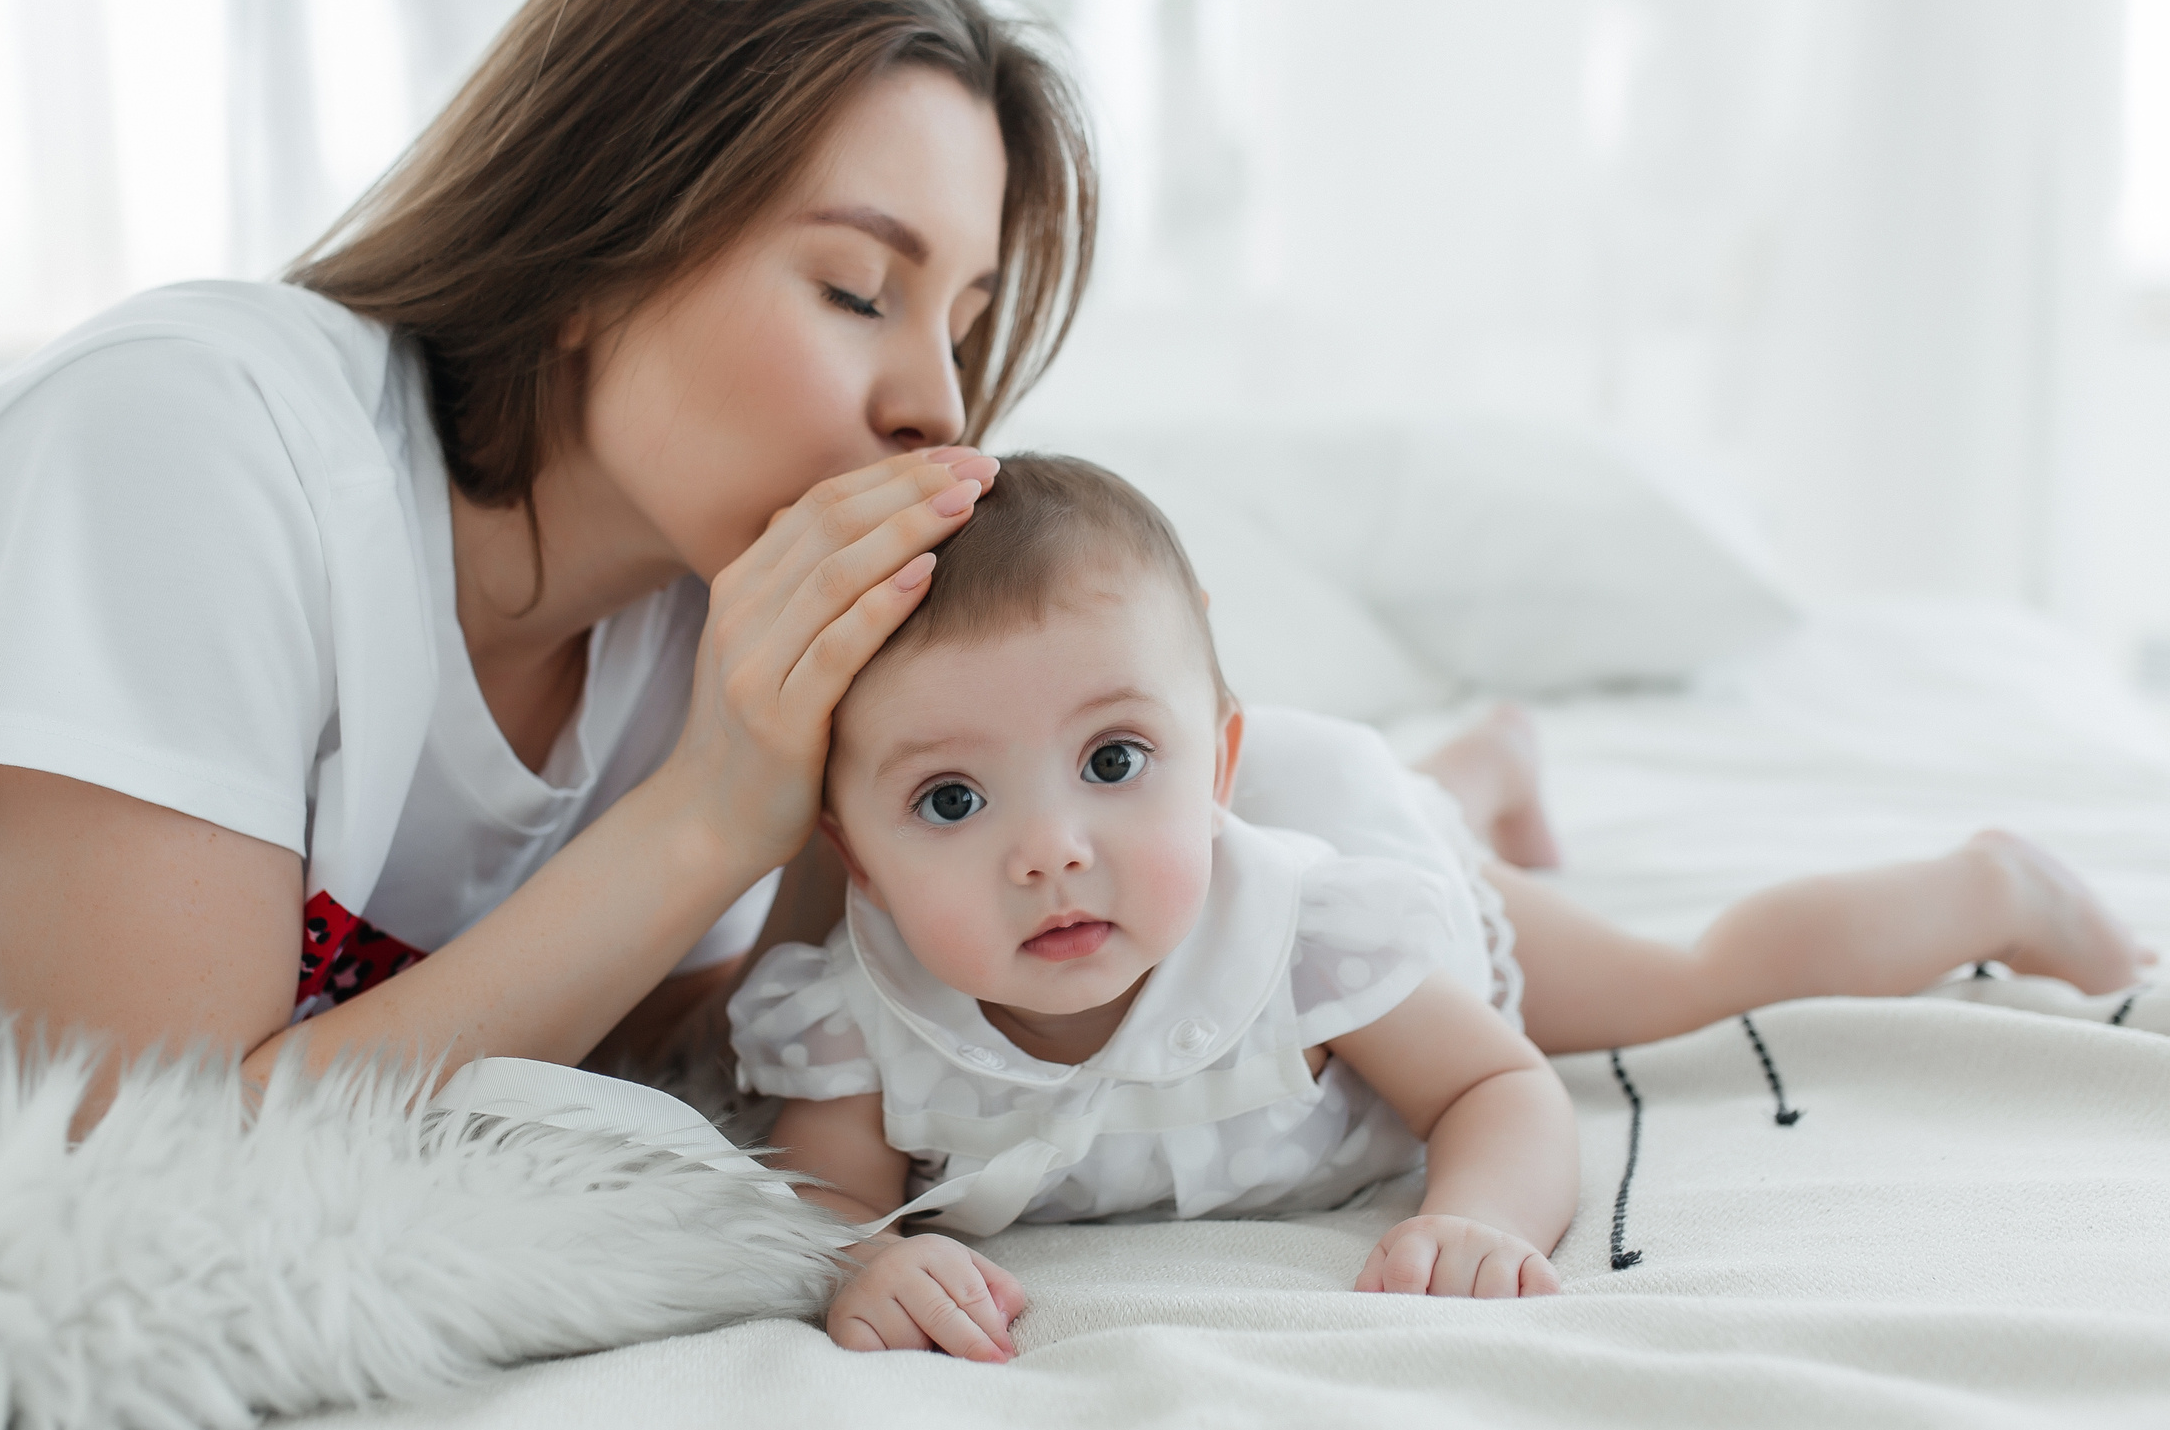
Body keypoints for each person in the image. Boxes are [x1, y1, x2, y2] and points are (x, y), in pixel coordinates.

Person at [0, 0, 1091, 1106]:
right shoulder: (194, 442)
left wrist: (837, 842)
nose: (938, 407)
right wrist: (703, 822)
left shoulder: (698, 622)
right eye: (857, 289)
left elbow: (610, 1040)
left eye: (963, 329)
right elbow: (144, 1162)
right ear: (594, 251)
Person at [728, 456, 2150, 1363]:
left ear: (1214, 768)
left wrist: (1479, 1218)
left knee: (1680, 985)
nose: (1051, 853)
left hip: (1347, 836)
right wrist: (866, 1263)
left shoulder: (1311, 933)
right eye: (952, 801)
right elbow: (830, 1200)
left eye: (1113, 762)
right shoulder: (863, 1015)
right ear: (858, 857)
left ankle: (1994, 885)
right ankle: (1484, 765)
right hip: (1279, 813)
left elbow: (1497, 1087)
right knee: (1416, 799)